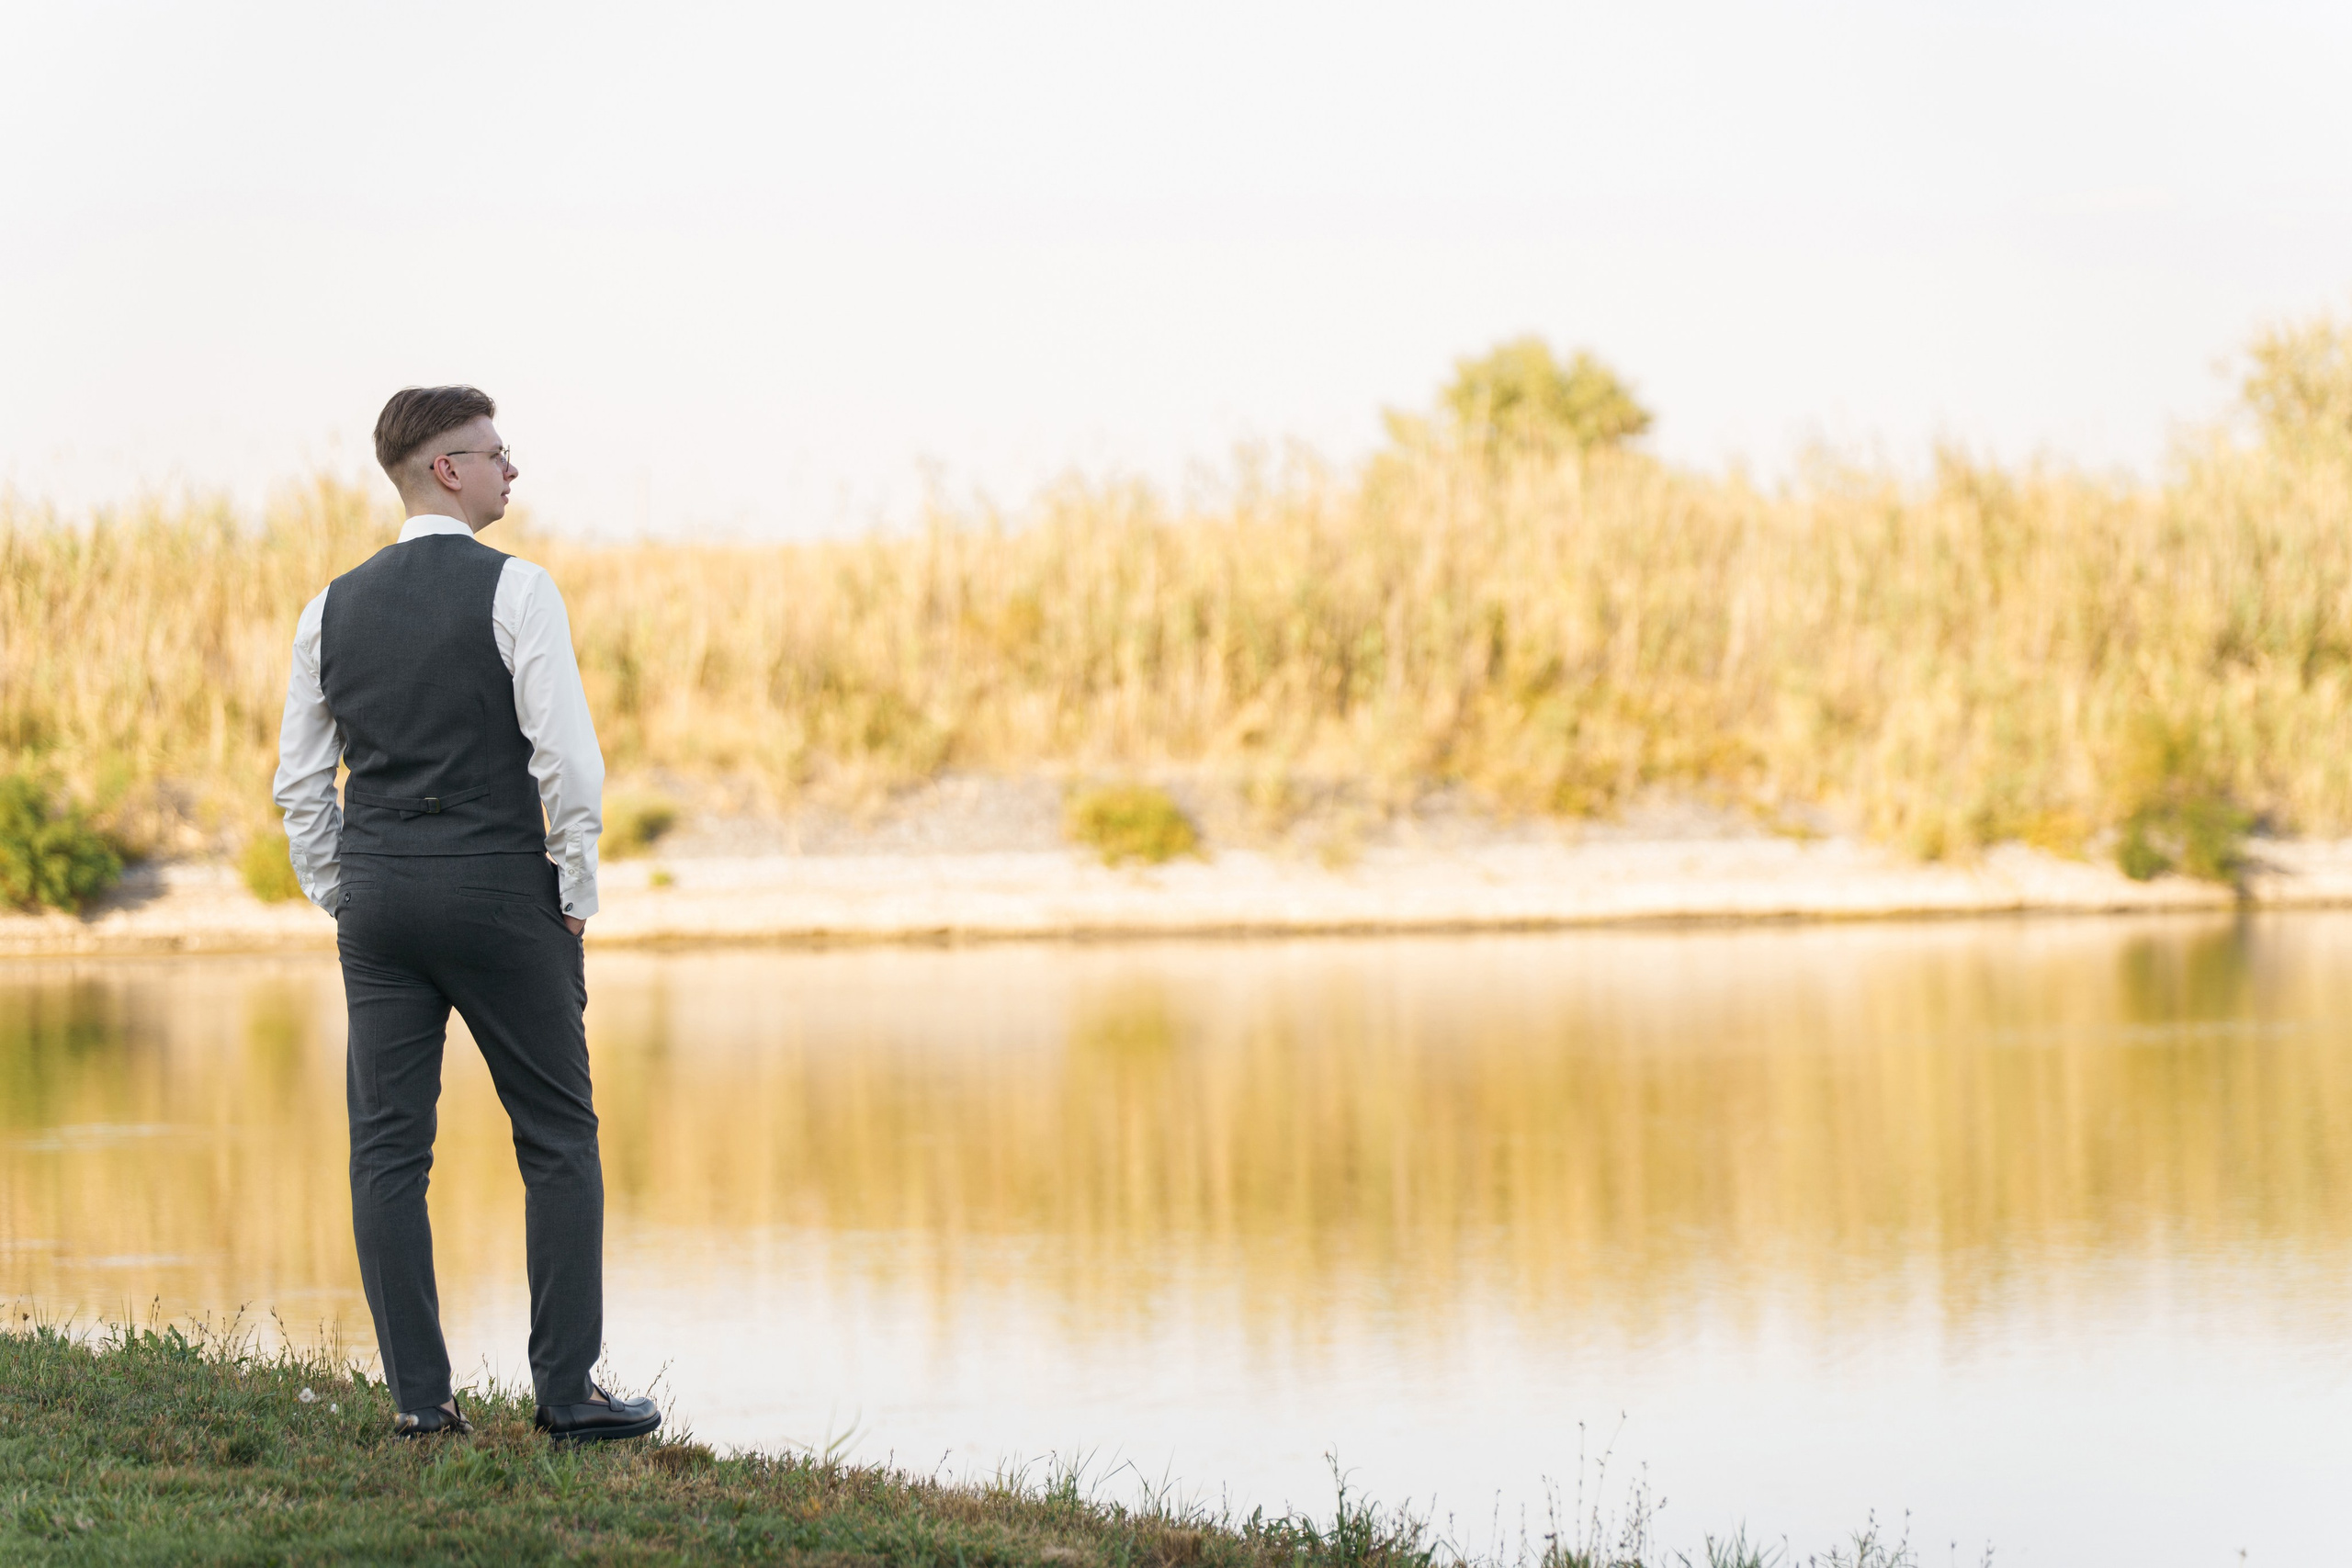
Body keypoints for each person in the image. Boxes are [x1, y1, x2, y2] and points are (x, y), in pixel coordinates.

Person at [272, 386, 659, 1443]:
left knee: (387, 1152)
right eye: (494, 453)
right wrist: (573, 892)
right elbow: (568, 761)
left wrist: (345, 889)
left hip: (382, 894)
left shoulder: (329, 607)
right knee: (557, 1138)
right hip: (497, 886)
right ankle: (567, 1396)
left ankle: (420, 1405)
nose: (510, 470)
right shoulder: (518, 590)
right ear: (447, 469)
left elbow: (302, 784)